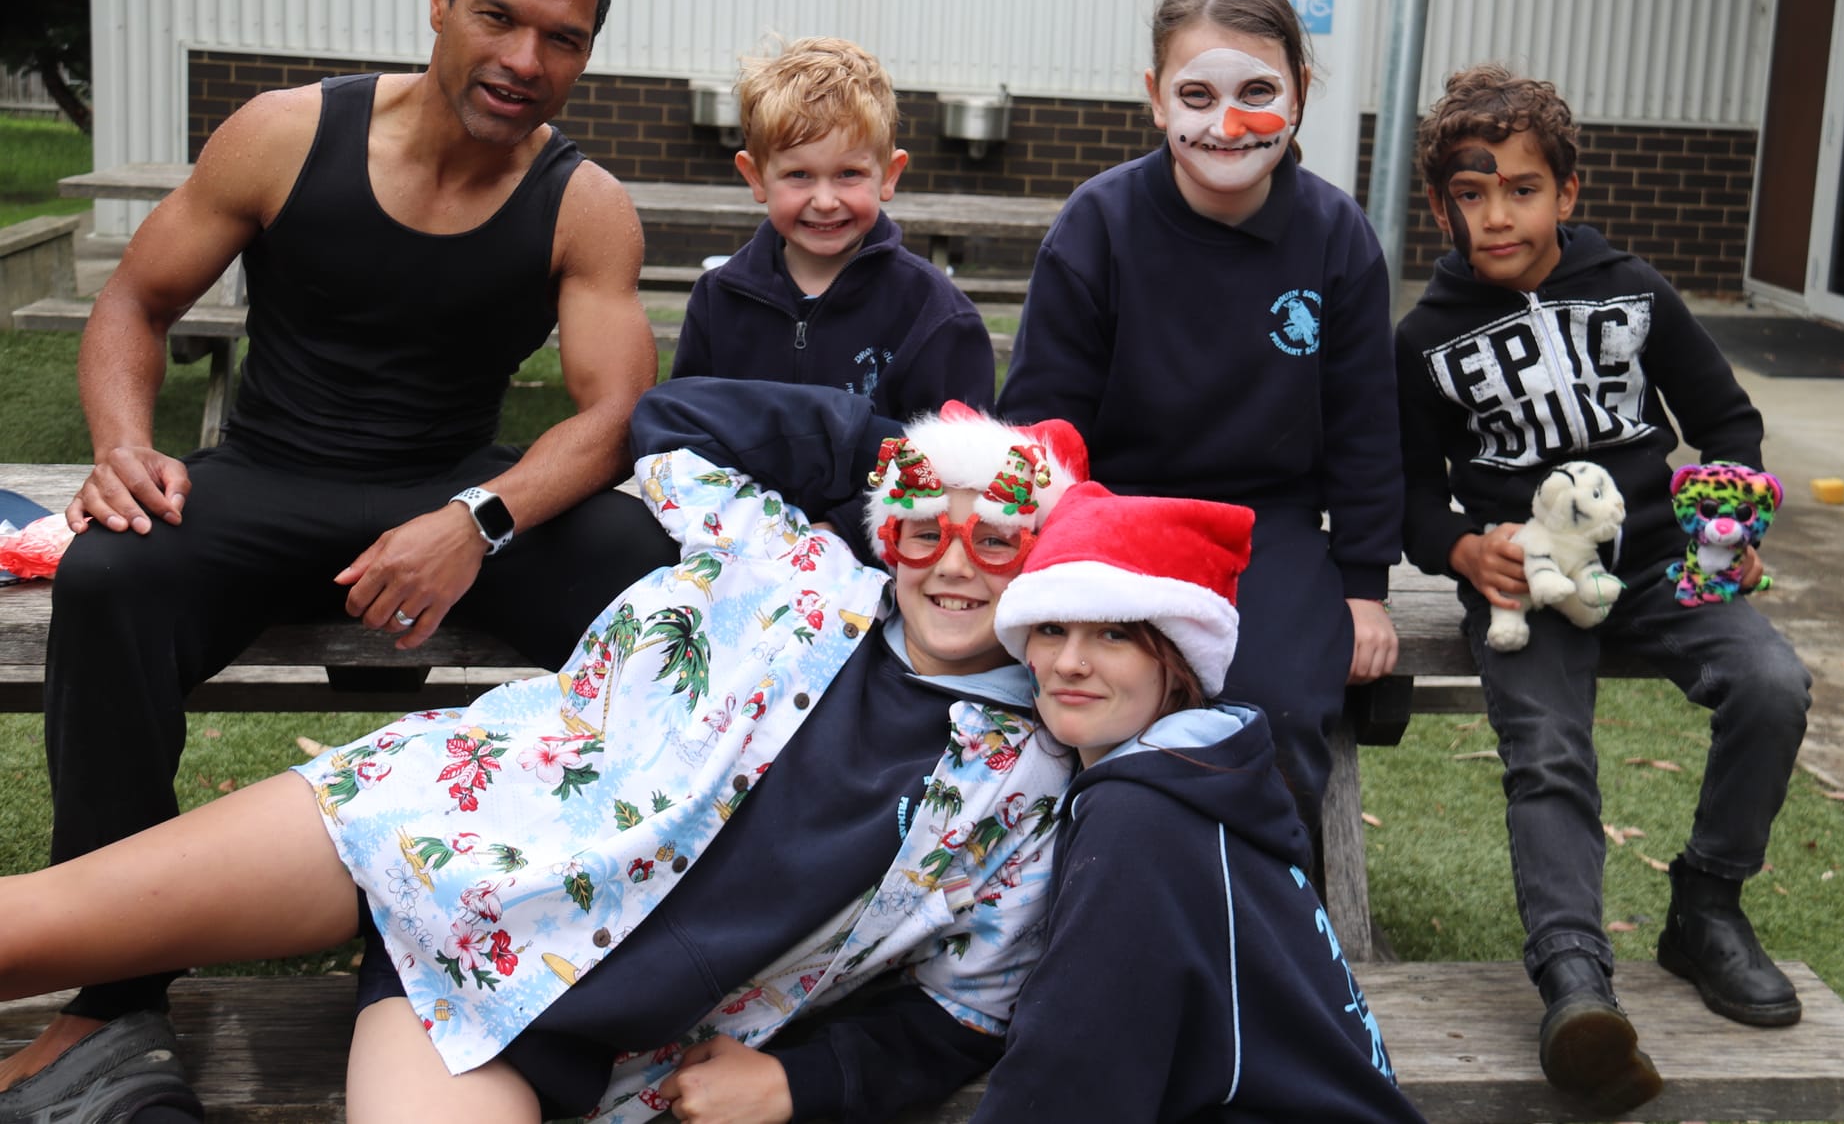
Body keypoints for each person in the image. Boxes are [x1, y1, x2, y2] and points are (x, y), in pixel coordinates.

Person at [1, 0, 673, 1121]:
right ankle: (114, 994)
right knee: (111, 574)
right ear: (437, 1)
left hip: (445, 497)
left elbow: (607, 419)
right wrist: (119, 444)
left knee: (655, 586)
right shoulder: (285, 133)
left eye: (563, 38)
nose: (525, 60)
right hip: (267, 479)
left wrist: (473, 522)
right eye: (498, 16)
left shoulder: (581, 202)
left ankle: (579, 943)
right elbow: (135, 303)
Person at [0, 378, 1089, 1124]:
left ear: (1045, 556)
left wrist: (803, 1084)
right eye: (920, 525)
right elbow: (673, 418)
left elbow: (967, 1007)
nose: (954, 563)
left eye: (997, 535)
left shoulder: (1027, 778)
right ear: (881, 527)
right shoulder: (793, 571)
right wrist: (902, 449)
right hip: (422, 825)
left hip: (510, 1020)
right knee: (29, 927)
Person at [1395, 64, 1813, 1113]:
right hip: (1529, 584)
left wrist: (1735, 519)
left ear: (1566, 192)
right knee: (1545, 754)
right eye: (1469, 193)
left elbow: (1726, 423)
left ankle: (1706, 908)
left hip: (1665, 561)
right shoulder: (1423, 340)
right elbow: (1402, 494)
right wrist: (1459, 551)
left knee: (1770, 682)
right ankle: (1574, 981)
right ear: (1440, 203)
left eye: (1520, 188)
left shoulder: (1633, 289)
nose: (1495, 215)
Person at [997, 0, 1403, 860]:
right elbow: (1041, 422)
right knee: (1083, 696)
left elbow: (1368, 422)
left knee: (1279, 711)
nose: (1227, 123)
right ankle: (1083, 901)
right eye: (1197, 94)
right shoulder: (1097, 226)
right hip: (1117, 514)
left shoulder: (1337, 238)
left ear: (1300, 93)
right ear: (1154, 99)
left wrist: (1364, 585)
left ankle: (1268, 920)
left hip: (1272, 528)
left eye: (1259, 91)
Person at [970, 482, 1427, 1122]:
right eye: (1050, 629)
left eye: (1112, 635)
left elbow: (1070, 1078)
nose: (1070, 662)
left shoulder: (1137, 818)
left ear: (1179, 662)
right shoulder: (1209, 764)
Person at [671, 36, 995, 417]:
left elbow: (963, 460)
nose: (825, 201)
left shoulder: (934, 313)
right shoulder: (718, 301)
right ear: (756, 177)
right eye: (799, 174)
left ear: (889, 175)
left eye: (848, 174)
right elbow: (688, 425)